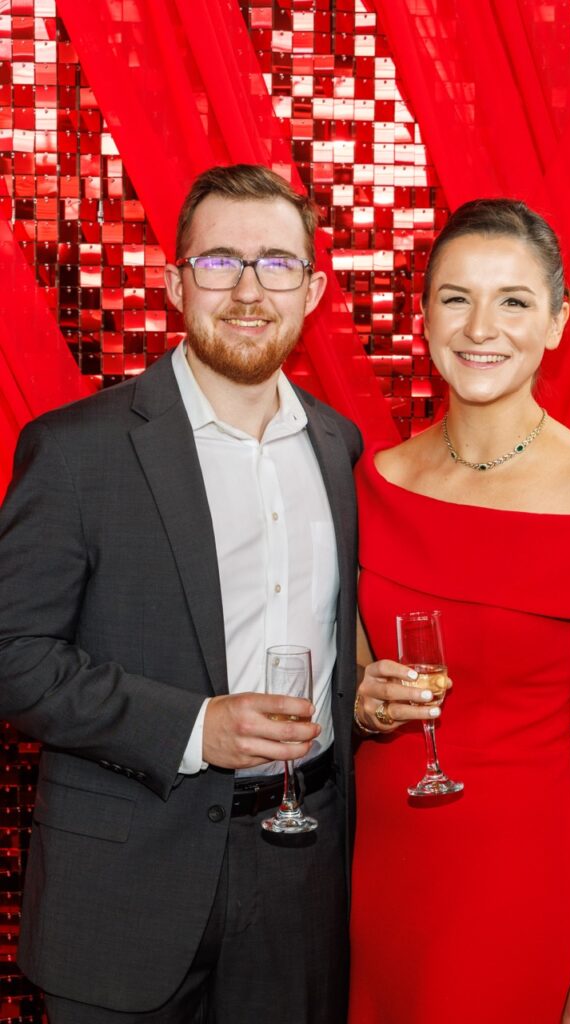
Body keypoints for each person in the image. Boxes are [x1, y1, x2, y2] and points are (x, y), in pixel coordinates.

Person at [0, 164, 364, 1024]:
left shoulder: (339, 449)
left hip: (301, 881)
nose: (247, 289)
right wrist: (200, 728)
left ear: (311, 289)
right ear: (174, 284)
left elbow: (349, 639)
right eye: (218, 263)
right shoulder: (76, 449)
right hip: (123, 884)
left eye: (276, 264)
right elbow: (12, 657)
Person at [349, 199, 570, 1023]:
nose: (479, 326)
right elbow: (350, 673)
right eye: (455, 297)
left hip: (514, 876)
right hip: (371, 870)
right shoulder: (375, 481)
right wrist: (363, 698)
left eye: (515, 300)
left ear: (558, 322)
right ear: (422, 317)